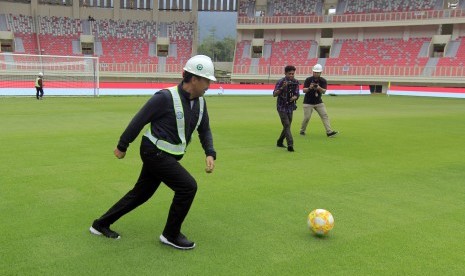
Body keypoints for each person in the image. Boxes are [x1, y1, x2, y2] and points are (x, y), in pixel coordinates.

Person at [89, 55, 217, 250]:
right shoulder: (165, 97)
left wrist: (210, 152)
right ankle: (170, 234)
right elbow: (139, 119)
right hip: (154, 152)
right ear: (194, 79)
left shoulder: (200, 103)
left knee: (141, 194)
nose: (209, 85)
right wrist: (123, 145)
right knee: (187, 187)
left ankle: (100, 224)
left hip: (166, 155)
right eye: (207, 80)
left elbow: (204, 129)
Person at [299, 64, 338, 137]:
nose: (316, 73)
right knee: (307, 117)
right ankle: (302, 130)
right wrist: (310, 88)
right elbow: (304, 90)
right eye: (315, 72)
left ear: (320, 73)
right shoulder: (308, 79)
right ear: (313, 72)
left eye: (318, 72)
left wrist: (318, 88)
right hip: (308, 102)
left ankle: (329, 132)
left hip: (318, 102)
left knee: (324, 115)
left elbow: (324, 91)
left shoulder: (323, 81)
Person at [273, 65, 300, 152]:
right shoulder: (281, 82)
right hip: (281, 107)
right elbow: (274, 94)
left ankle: (280, 141)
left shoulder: (296, 82)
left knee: (287, 126)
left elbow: (297, 93)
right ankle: (290, 144)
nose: (291, 75)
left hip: (290, 107)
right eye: (289, 74)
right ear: (285, 73)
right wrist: (282, 87)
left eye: (293, 74)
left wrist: (295, 97)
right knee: (287, 125)